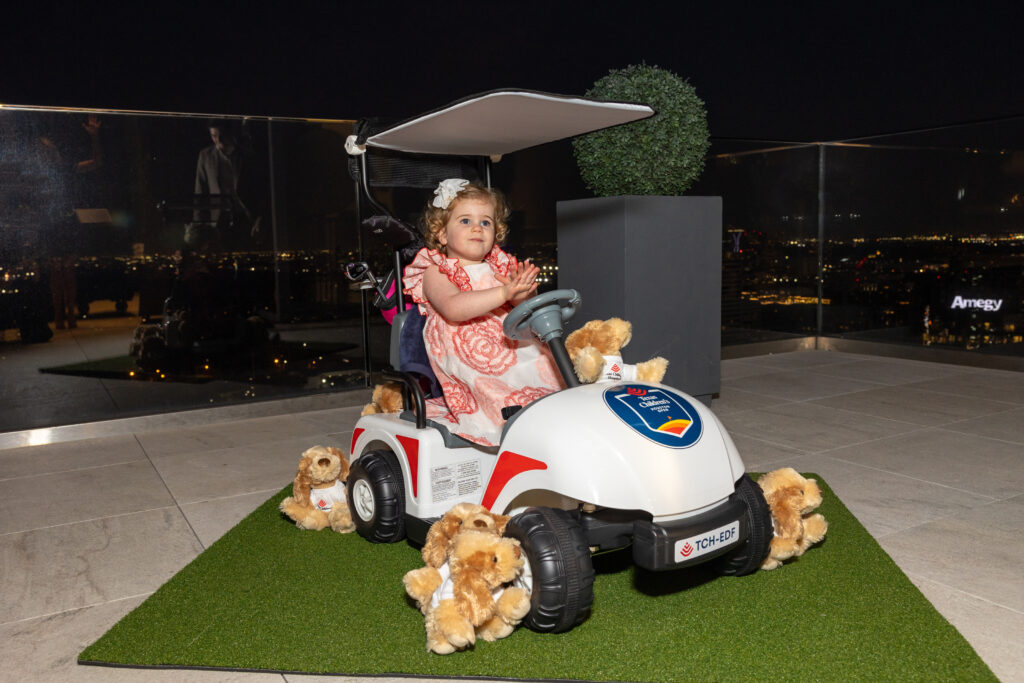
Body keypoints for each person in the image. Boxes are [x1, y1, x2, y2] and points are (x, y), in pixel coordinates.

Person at [402, 179, 564, 446]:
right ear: (442, 235)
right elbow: (453, 307)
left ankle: (553, 411)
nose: (477, 227)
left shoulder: (499, 266)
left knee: (549, 362)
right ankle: (513, 420)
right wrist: (504, 293)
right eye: (465, 221)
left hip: (511, 340)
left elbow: (525, 306)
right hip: (468, 349)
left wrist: (521, 291)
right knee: (497, 385)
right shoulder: (436, 270)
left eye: (486, 222)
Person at [192, 118, 259, 250]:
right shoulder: (206, 156)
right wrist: (198, 227)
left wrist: (258, 218)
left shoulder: (245, 155)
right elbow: (200, 192)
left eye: (221, 135)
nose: (218, 140)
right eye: (214, 136)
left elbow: (257, 189)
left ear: (230, 133)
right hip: (218, 220)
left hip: (243, 217)